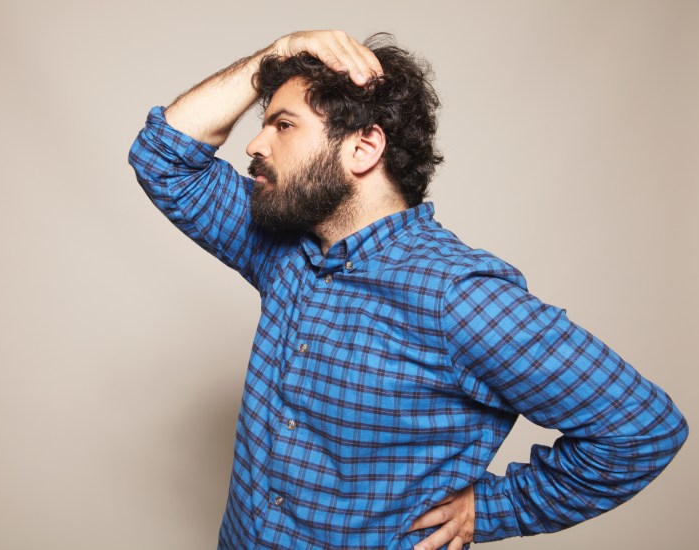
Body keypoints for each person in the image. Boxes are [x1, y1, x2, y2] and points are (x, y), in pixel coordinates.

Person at [128, 30, 688, 550]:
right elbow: (164, 158)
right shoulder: (282, 250)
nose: (255, 143)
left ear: (364, 147)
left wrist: (494, 509)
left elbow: (641, 430)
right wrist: (274, 55)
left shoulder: (459, 297)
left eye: (283, 124)